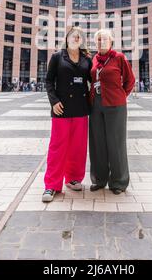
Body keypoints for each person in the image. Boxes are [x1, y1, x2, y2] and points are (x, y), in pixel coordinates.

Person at [42, 27, 92, 203]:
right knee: (57, 147)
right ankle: (51, 185)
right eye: (73, 35)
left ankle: (73, 178)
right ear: (67, 38)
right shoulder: (57, 57)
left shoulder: (87, 59)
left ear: (82, 40)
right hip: (61, 109)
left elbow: (93, 81)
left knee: (78, 147)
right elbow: (49, 81)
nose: (76, 38)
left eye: (79, 36)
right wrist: (53, 101)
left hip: (80, 109)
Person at [89, 29, 135, 195]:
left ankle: (118, 182)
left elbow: (130, 80)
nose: (101, 42)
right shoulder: (93, 59)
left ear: (111, 42)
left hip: (115, 105)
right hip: (96, 105)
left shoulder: (119, 58)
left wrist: (121, 94)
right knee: (97, 143)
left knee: (115, 143)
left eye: (104, 39)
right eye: (98, 40)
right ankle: (99, 179)